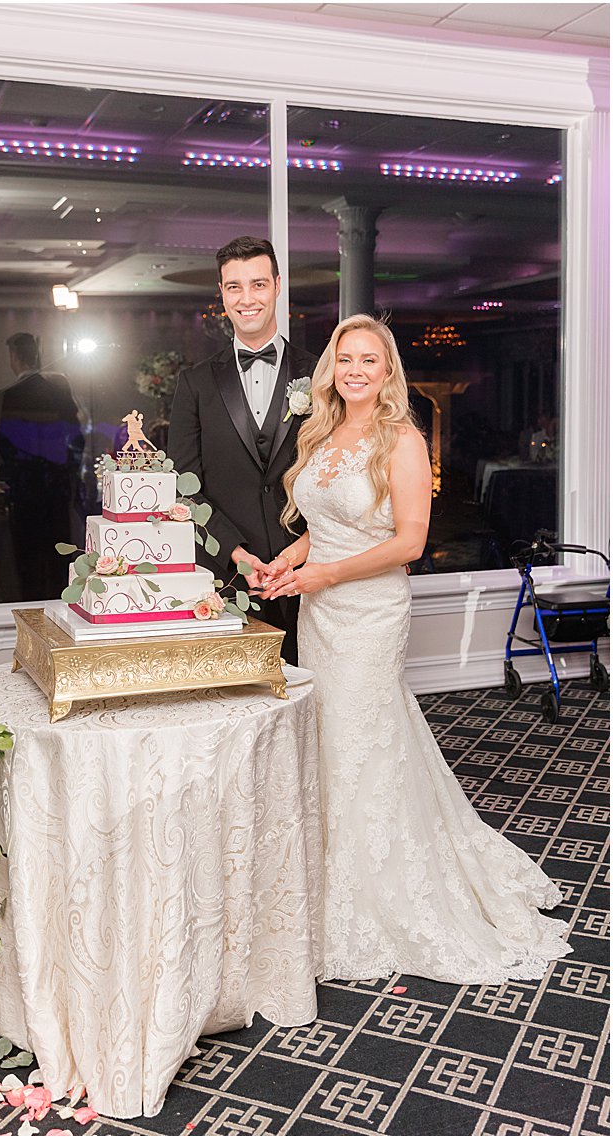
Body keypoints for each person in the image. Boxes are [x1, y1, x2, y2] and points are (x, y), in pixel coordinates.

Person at [261, 314, 570, 983]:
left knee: (364, 738)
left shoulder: (400, 438)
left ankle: (380, 885)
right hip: (321, 609)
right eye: (346, 359)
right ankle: (328, 877)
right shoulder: (322, 430)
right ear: (332, 369)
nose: (355, 370)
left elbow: (409, 542)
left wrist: (327, 574)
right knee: (330, 741)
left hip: (370, 612)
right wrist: (291, 557)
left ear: (389, 369)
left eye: (369, 359)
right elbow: (326, 524)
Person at [169, 236, 317, 664]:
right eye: (234, 286)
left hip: (307, 569)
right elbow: (184, 487)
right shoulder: (194, 382)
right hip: (225, 576)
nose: (246, 298)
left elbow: (337, 470)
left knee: (313, 698)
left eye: (257, 284)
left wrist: (300, 551)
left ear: (277, 286)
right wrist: (237, 553)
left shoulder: (320, 371)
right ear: (222, 293)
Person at [0, 332, 83, 598]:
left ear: (15, 357)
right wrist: (66, 474)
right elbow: (77, 437)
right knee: (58, 558)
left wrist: (16, 476)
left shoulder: (8, 396)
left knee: (28, 560)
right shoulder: (58, 392)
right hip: (57, 489)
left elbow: (0, 447)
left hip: (25, 492)